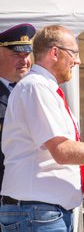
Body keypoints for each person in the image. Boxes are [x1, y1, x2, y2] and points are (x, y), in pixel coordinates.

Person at [0, 25, 84, 232]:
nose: (78, 61)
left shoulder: (42, 87)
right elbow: (63, 150)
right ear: (55, 53)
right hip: (37, 213)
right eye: (74, 53)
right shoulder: (36, 87)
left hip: (40, 212)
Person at [0, 23, 36, 190]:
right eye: (17, 55)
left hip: (29, 189)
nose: (25, 61)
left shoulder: (33, 90)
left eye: (27, 54)